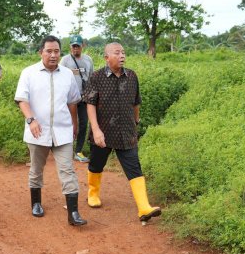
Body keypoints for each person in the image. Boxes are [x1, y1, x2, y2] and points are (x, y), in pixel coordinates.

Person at [84, 42, 161, 223]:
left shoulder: (132, 76)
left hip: (126, 131)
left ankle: (143, 208)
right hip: (103, 131)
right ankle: (93, 193)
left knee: (134, 167)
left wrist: (136, 121)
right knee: (96, 164)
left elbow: (136, 101)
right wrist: (95, 130)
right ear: (106, 57)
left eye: (123, 52)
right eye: (117, 53)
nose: (122, 56)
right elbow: (90, 104)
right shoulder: (97, 77)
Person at [14, 35, 87, 226]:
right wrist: (31, 120)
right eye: (49, 51)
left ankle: (73, 213)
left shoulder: (67, 74)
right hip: (37, 131)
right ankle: (36, 202)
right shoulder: (29, 73)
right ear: (41, 52)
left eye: (56, 51)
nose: (53, 55)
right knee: (37, 169)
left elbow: (72, 102)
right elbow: (22, 100)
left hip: (63, 131)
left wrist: (75, 124)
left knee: (68, 170)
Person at [60, 35, 94, 163]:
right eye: (73, 46)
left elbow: (91, 78)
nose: (75, 49)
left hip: (83, 98)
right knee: (67, 123)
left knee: (83, 124)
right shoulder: (65, 61)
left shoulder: (88, 60)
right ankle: (64, 149)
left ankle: (78, 151)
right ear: (70, 47)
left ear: (82, 46)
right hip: (68, 100)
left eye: (78, 46)